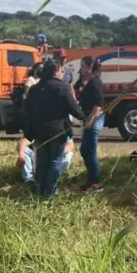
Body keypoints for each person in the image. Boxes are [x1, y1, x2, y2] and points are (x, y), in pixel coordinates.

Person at [22, 58, 85, 197]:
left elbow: (26, 110)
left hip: (39, 131)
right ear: (56, 71)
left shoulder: (34, 89)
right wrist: (85, 117)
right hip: (58, 131)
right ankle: (50, 192)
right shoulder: (61, 87)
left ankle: (40, 190)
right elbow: (74, 108)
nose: (62, 74)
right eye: (62, 71)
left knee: (42, 161)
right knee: (55, 160)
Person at [75, 55, 105, 192]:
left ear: (89, 67)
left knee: (90, 150)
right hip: (87, 117)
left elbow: (98, 104)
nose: (80, 69)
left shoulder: (95, 82)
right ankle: (92, 177)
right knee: (84, 150)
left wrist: (90, 119)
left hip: (94, 117)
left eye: (82, 66)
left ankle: (97, 183)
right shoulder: (83, 81)